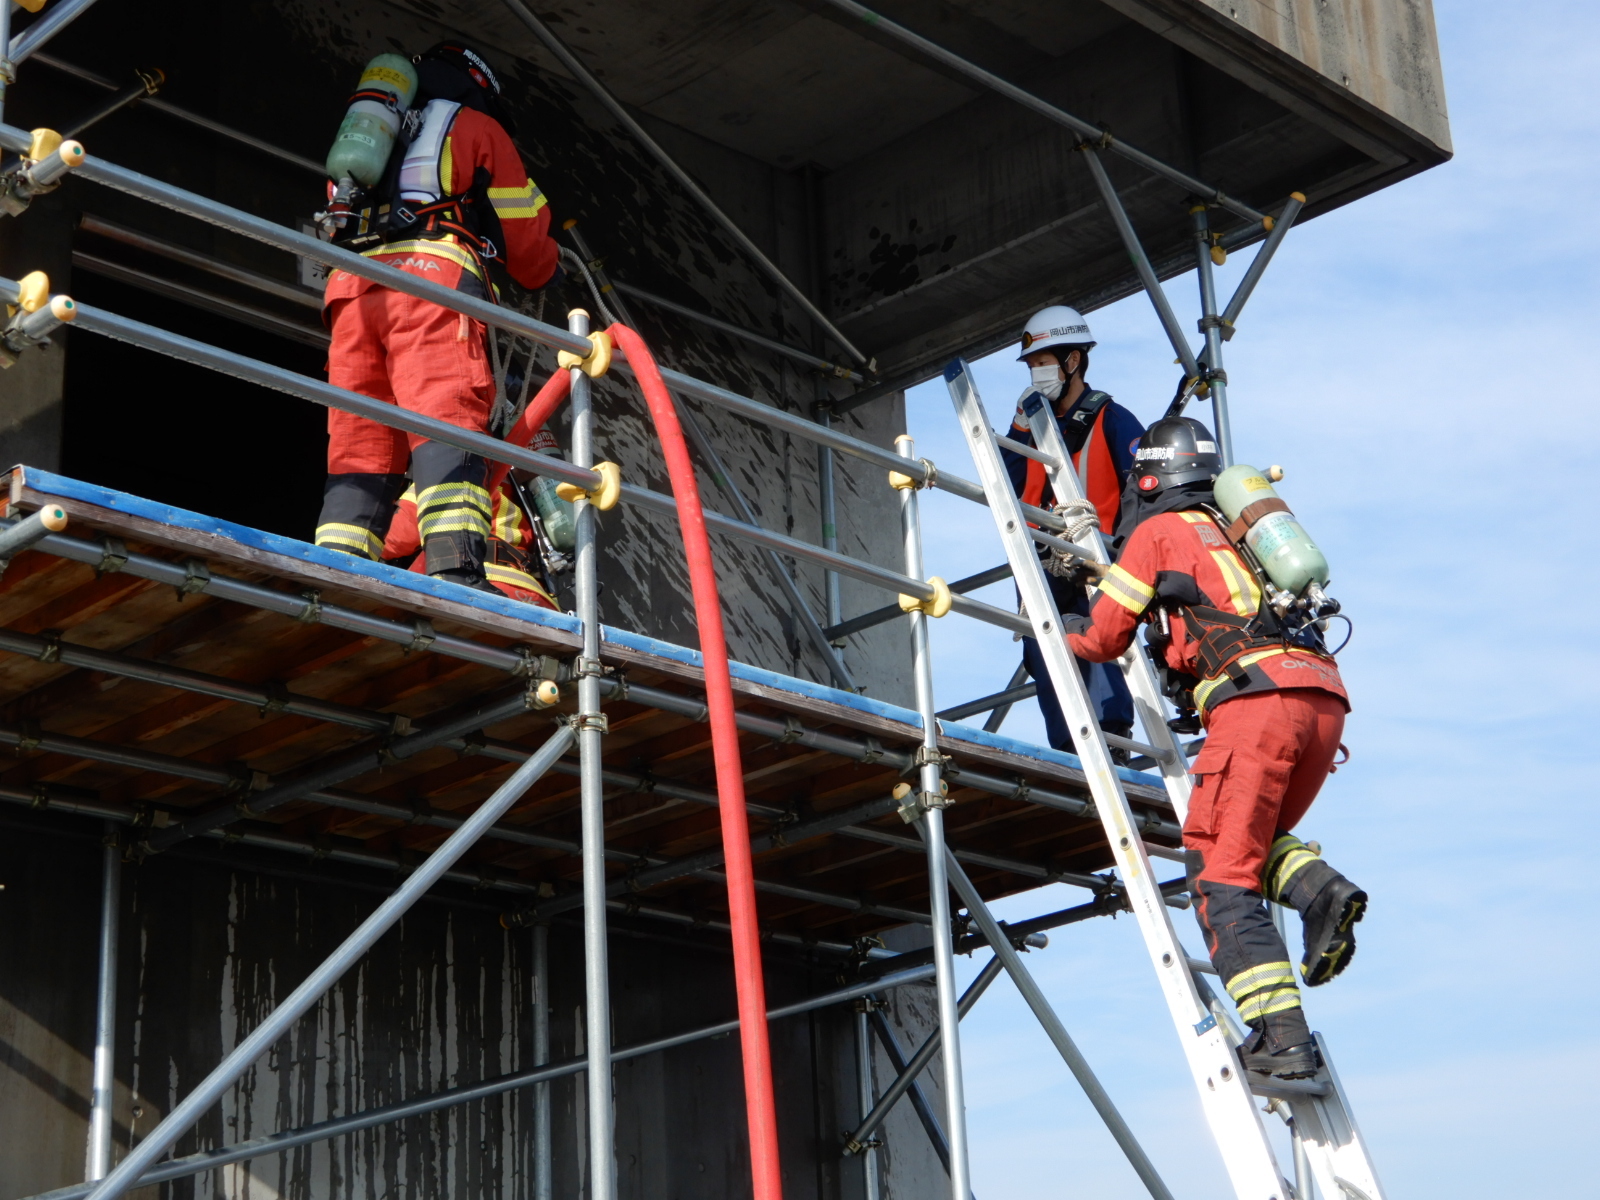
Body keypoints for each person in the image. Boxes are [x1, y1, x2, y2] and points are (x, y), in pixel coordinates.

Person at [1062, 415, 1366, 1080]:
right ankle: (1319, 891)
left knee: (1219, 876)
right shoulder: (1243, 534)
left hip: (1255, 708)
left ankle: (1283, 1042)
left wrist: (1060, 631)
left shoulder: (1157, 533)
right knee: (1251, 840)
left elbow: (1107, 636)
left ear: (1150, 478)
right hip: (1322, 698)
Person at [314, 41, 560, 590]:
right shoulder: (472, 125)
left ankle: (333, 573)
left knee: (360, 442)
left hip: (351, 288)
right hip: (431, 282)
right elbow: (527, 244)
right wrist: (548, 260)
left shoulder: (362, 136)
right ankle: (457, 575)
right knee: (445, 425)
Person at [999, 305, 1145, 752]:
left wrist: (1129, 554)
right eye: (1032, 366)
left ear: (1073, 361)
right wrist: (1019, 428)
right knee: (1044, 652)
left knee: (1099, 645)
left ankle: (1112, 741)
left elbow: (1143, 490)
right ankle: (1069, 751)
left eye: (1043, 363)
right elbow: (1007, 482)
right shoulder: (1032, 423)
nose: (1036, 373)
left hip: (1096, 562)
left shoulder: (1112, 419)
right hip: (1042, 562)